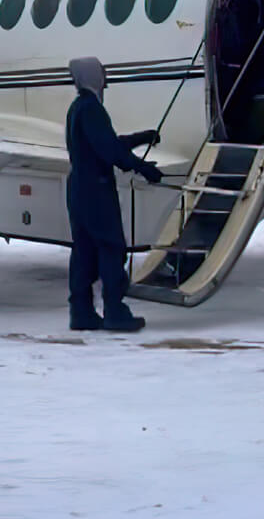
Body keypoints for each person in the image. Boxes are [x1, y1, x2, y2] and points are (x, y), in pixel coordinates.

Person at [63, 57, 163, 332]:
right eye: (103, 72)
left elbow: (103, 143)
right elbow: (108, 150)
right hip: (96, 189)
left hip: (79, 188)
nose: (106, 77)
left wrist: (139, 138)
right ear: (94, 76)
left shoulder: (77, 108)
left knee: (83, 250)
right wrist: (142, 167)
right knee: (110, 247)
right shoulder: (92, 108)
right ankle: (115, 311)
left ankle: (81, 312)